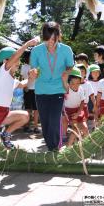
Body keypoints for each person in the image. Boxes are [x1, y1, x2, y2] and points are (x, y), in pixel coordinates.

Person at [0, 39, 38, 187]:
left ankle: (6, 133)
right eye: (15, 59)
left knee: (25, 116)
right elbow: (16, 56)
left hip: (3, 112)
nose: (18, 62)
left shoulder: (12, 78)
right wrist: (27, 44)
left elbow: (23, 85)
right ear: (7, 60)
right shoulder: (4, 69)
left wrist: (31, 78)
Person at [30, 21, 74, 151]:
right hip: (41, 91)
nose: (50, 42)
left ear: (59, 36)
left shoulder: (66, 50)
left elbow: (70, 66)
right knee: (45, 123)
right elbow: (34, 69)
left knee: (54, 120)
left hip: (58, 90)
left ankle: (54, 148)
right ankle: (51, 147)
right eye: (47, 39)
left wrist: (67, 72)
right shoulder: (36, 50)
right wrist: (34, 73)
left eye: (53, 39)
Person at [62, 67, 87, 146]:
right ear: (68, 83)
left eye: (77, 83)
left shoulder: (81, 89)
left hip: (79, 110)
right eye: (72, 83)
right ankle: (68, 147)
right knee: (75, 129)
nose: (75, 85)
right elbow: (63, 78)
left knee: (85, 128)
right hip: (69, 111)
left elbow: (82, 102)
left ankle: (88, 146)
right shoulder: (67, 89)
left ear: (80, 82)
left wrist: (78, 113)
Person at [20, 51, 40, 134]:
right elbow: (21, 78)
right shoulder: (24, 67)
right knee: (27, 108)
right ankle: (26, 126)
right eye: (31, 56)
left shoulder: (37, 66)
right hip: (27, 89)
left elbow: (39, 77)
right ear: (27, 57)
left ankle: (35, 127)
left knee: (36, 109)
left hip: (36, 89)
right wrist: (24, 87)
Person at [88, 64, 101, 128]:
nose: (95, 73)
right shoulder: (88, 82)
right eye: (93, 72)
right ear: (90, 73)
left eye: (97, 72)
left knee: (97, 114)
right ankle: (91, 128)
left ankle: (97, 127)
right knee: (90, 114)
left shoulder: (101, 82)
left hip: (99, 99)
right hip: (90, 99)